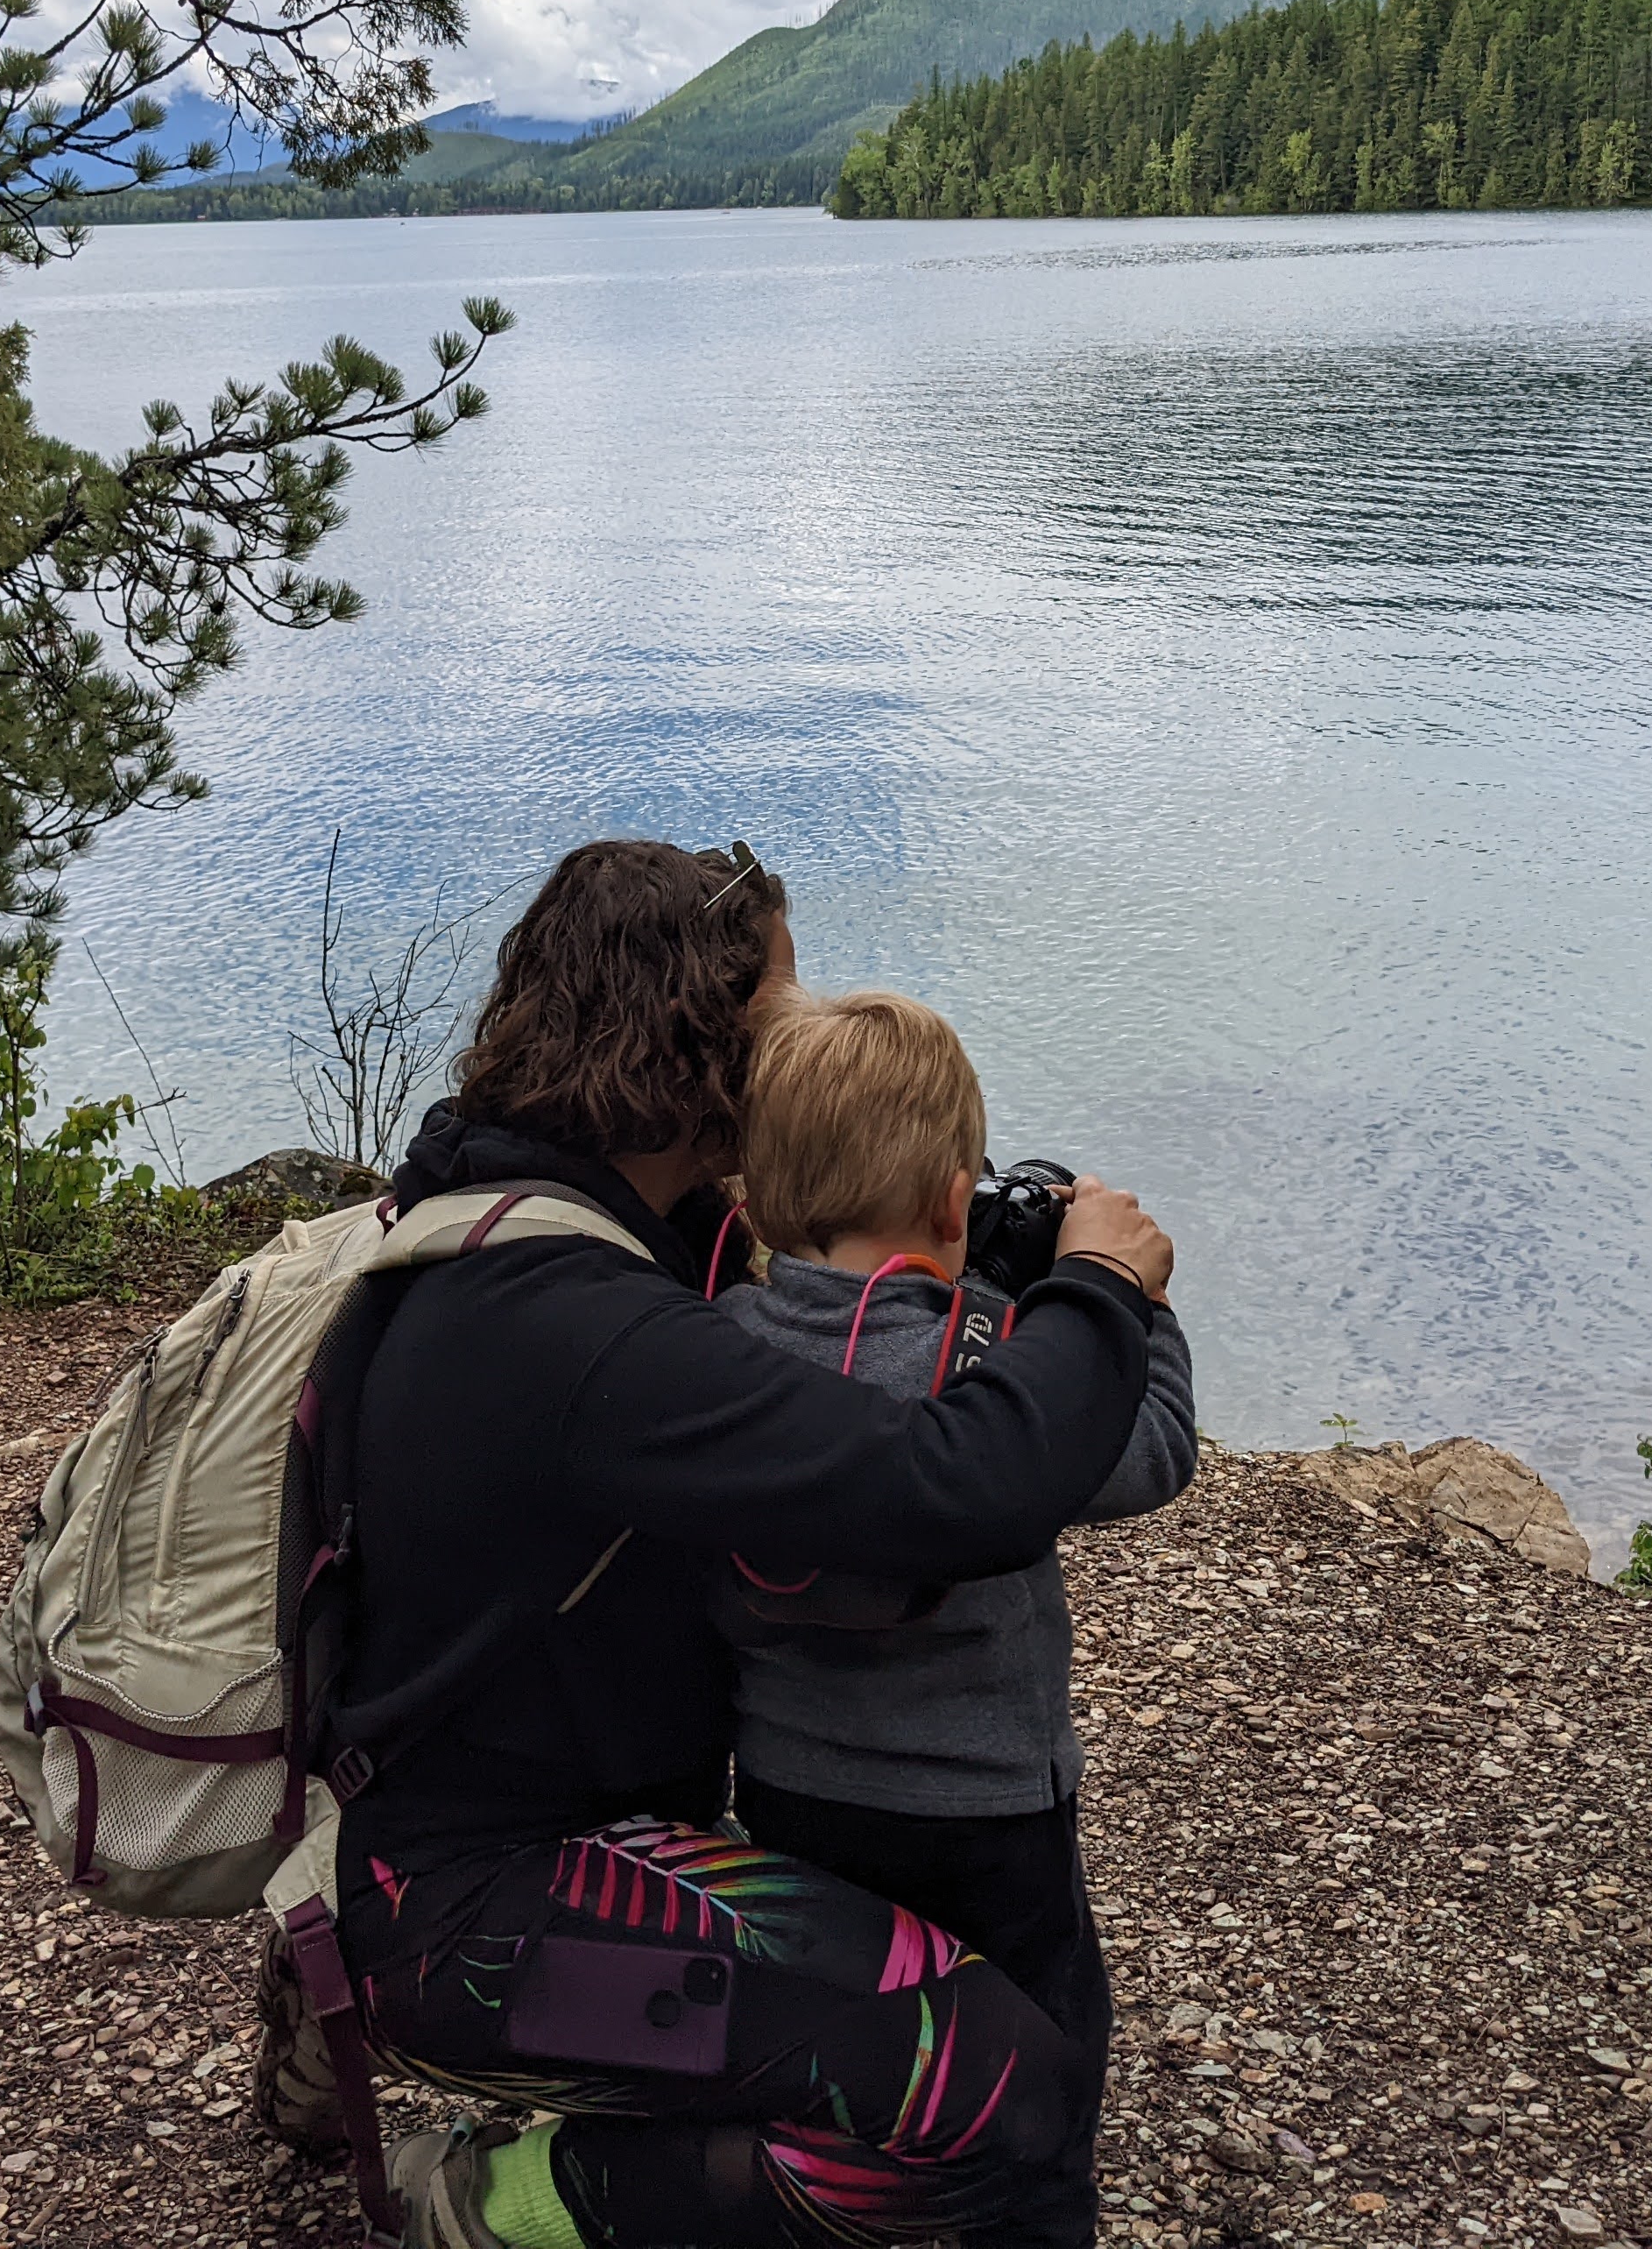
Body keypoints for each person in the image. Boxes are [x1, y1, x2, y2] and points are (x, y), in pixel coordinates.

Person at [328, 838, 1175, 2249]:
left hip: (453, 1851)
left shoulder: (519, 1215)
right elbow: (962, 1488)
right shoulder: (587, 1331)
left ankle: (342, 2029)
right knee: (1003, 2097)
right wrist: (1099, 1290)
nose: (801, 1034)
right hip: (485, 1924)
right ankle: (500, 2204)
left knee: (937, 2056)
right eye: (784, 1005)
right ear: (697, 1036)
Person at [708, 989, 1197, 2249]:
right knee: (1043, 2046)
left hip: (790, 1788)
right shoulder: (992, 1375)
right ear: (948, 1201)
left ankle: (857, 2204)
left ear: (758, 1198)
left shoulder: (718, 1345)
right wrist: (1124, 1300)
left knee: (854, 2032)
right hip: (984, 1810)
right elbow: (1152, 1451)